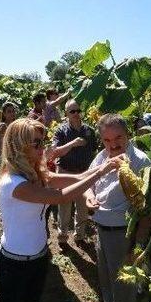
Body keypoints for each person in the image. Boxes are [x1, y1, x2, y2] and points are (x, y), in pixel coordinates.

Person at [0, 118, 121, 302]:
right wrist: (101, 172)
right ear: (19, 146)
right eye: (36, 143)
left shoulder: (35, 173)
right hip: (14, 265)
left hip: (37, 257)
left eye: (42, 142)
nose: (42, 148)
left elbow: (70, 179)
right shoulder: (14, 183)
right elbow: (60, 197)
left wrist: (104, 167)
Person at [84, 113, 151, 302]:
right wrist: (89, 197)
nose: (112, 144)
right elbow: (88, 184)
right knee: (105, 280)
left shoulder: (140, 162)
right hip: (101, 229)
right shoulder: (101, 157)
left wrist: (139, 244)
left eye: (118, 138)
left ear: (128, 135)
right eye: (106, 140)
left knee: (123, 287)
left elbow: (147, 208)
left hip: (124, 233)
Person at [49, 99, 97, 246]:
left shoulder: (89, 131)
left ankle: (80, 236)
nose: (76, 114)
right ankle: (63, 237)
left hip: (83, 174)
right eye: (72, 111)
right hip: (65, 173)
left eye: (78, 110)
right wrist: (73, 143)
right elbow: (54, 153)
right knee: (65, 206)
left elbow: (94, 150)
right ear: (66, 114)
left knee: (82, 207)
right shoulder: (60, 131)